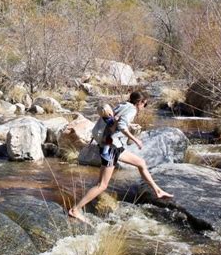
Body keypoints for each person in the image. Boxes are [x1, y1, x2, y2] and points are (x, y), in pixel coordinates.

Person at [68, 91, 173, 223]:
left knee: (140, 163)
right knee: (102, 185)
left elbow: (115, 122)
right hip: (111, 148)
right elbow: (122, 126)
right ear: (140, 102)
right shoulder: (132, 110)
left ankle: (157, 191)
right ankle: (75, 209)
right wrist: (136, 140)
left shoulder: (123, 105)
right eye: (144, 105)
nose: (143, 107)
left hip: (111, 146)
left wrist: (130, 126)